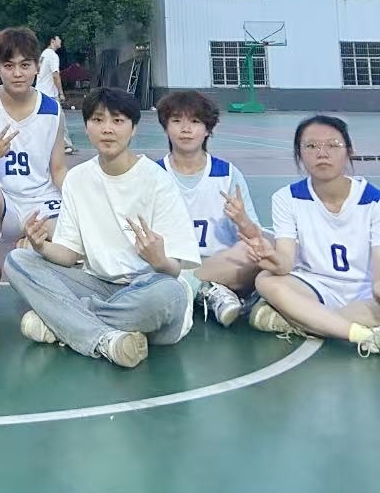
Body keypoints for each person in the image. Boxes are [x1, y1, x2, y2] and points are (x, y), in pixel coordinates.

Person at [3, 87, 201, 368]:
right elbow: (69, 254)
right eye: (98, 120)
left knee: (169, 294)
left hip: (147, 287)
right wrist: (42, 246)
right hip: (97, 285)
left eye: (117, 121)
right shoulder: (77, 179)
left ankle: (64, 321)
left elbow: (174, 270)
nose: (107, 129)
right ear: (86, 127)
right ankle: (105, 337)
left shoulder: (158, 181)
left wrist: (159, 259)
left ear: (133, 128)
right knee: (18, 260)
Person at [242, 115, 380, 355]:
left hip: (364, 293)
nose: (322, 153)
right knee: (266, 280)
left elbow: (378, 279)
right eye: (311, 146)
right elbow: (285, 263)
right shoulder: (287, 198)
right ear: (299, 153)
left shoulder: (374, 201)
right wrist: (269, 257)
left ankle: (299, 320)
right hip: (314, 287)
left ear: (349, 152)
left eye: (332, 145)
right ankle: (364, 336)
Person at [154, 90, 263, 326]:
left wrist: (242, 220)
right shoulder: (153, 174)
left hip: (219, 262)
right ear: (166, 127)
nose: (186, 129)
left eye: (195, 121)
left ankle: (192, 285)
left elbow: (254, 236)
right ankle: (209, 290)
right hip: (171, 262)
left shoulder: (227, 174)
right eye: (177, 121)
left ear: (207, 129)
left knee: (258, 250)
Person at [0, 26, 67, 248]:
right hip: (4, 202)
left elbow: (58, 169)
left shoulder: (52, 110)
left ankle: (28, 247)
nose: (17, 73)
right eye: (9, 66)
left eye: (25, 65)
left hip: (43, 202)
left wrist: (80, 199)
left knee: (71, 240)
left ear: (37, 67)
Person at [35, 34, 75, 154]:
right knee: (59, 119)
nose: (60, 41)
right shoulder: (52, 55)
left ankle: (43, 144)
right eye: (59, 39)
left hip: (40, 92)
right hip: (49, 93)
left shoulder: (43, 54)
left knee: (43, 120)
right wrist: (61, 92)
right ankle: (66, 145)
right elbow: (55, 75)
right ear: (53, 41)